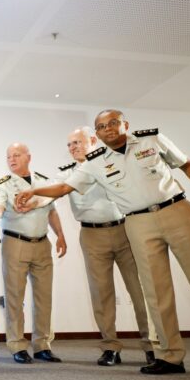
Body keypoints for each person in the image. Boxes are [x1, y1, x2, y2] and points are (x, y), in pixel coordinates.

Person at [16, 109, 190, 374]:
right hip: (138, 223)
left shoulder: (151, 140)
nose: (108, 129)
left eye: (113, 123)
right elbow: (62, 188)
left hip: (176, 211)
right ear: (98, 134)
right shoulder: (94, 163)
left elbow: (187, 164)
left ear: (125, 125)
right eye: (102, 126)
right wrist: (33, 191)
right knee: (155, 291)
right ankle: (170, 355)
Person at [59, 127, 154, 366]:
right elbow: (53, 193)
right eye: (69, 144)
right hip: (91, 235)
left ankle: (152, 345)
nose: (72, 148)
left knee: (140, 290)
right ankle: (110, 347)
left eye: (77, 142)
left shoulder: (111, 161)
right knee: (101, 293)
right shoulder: (67, 174)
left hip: (124, 230)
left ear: (92, 140)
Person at [0, 143, 67, 364]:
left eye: (16, 155)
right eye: (8, 157)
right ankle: (17, 345)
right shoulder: (3, 184)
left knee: (44, 297)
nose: (11, 159)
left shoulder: (43, 181)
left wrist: (60, 234)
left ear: (28, 157)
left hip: (42, 244)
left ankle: (42, 345)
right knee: (14, 297)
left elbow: (51, 211)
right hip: (15, 243)